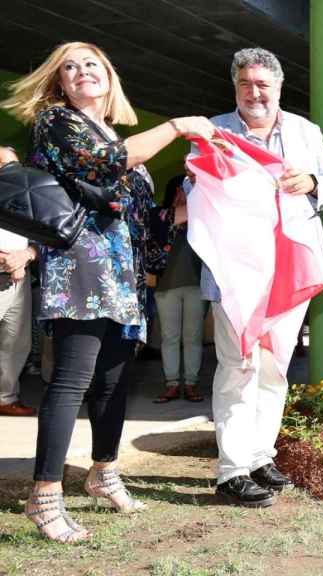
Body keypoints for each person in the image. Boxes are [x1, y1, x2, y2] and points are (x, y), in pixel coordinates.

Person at [1, 41, 215, 542]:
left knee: (114, 381)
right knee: (71, 380)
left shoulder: (110, 132)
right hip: (80, 271)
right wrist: (177, 126)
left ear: (109, 78)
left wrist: (195, 205)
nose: (81, 72)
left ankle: (103, 472)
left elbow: (146, 222)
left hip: (123, 278)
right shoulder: (57, 123)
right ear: (58, 83)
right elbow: (103, 164)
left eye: (91, 64)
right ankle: (45, 496)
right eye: (69, 68)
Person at [202, 48, 323, 507]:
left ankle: (261, 456)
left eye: (262, 84)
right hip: (236, 271)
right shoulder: (215, 130)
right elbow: (195, 188)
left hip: (289, 267)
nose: (254, 92)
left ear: (279, 87)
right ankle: (232, 472)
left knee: (273, 368)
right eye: (245, 84)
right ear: (235, 88)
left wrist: (314, 183)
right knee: (238, 366)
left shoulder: (305, 131)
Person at [148, 174, 206, 403]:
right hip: (165, 286)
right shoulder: (158, 216)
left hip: (197, 285)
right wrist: (177, 212)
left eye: (189, 189)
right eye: (181, 189)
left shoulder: (202, 217)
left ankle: (191, 384)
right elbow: (156, 238)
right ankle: (171, 384)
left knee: (193, 337)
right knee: (169, 337)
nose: (184, 194)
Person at [0, 146, 37, 417]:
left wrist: (25, 256)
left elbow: (44, 233)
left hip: (19, 277)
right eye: (6, 165)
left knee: (16, 341)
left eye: (16, 165)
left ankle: (5, 397)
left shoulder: (27, 195)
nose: (13, 171)